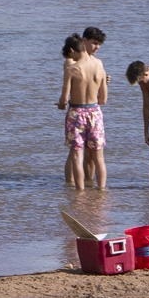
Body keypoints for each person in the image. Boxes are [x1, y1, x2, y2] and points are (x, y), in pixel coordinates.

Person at [58, 32, 107, 189]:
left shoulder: (71, 69)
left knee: (77, 156)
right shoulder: (99, 67)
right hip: (95, 112)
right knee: (99, 157)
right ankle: (101, 190)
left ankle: (79, 193)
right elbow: (103, 100)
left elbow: (64, 98)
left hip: (76, 113)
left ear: (73, 50)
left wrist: (61, 105)